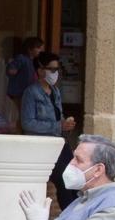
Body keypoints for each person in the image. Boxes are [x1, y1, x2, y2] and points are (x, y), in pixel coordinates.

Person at [20, 51, 78, 209]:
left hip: (60, 142)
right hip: (43, 145)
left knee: (74, 180)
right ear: (40, 71)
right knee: (63, 181)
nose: (55, 73)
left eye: (57, 69)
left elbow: (57, 116)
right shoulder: (31, 93)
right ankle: (69, 217)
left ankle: (76, 215)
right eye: (52, 69)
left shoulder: (56, 92)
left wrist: (66, 124)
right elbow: (28, 123)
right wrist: (57, 126)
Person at [6, 37, 44, 129]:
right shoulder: (22, 58)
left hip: (28, 92)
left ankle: (21, 130)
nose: (41, 50)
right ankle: (19, 131)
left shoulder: (33, 61)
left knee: (26, 113)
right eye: (38, 48)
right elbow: (11, 70)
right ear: (30, 49)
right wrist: (14, 71)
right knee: (23, 113)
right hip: (20, 92)